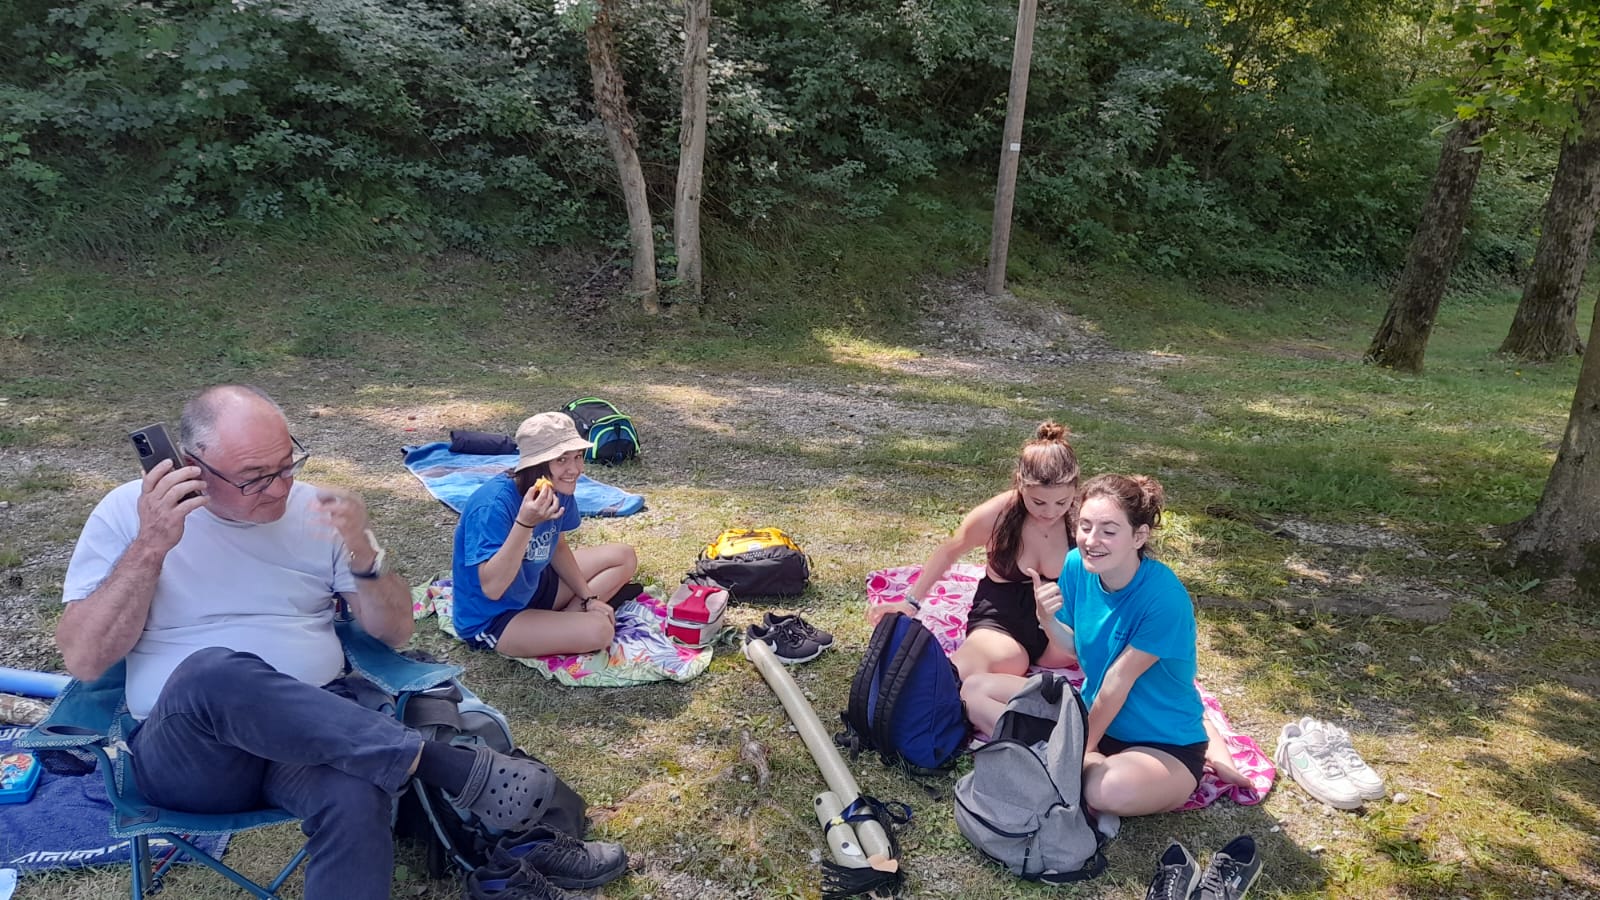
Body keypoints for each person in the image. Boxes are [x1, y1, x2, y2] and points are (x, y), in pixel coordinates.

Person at [56, 385, 619, 900]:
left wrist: (366, 558)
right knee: (213, 672)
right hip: (194, 757)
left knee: (355, 794)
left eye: (288, 464)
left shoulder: (316, 508)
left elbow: (395, 631)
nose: (281, 487)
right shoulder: (130, 514)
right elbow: (83, 657)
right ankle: (437, 763)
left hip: (316, 737)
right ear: (191, 467)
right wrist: (152, 545)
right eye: (255, 477)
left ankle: (439, 773)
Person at [964, 473, 1236, 817]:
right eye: (1085, 526)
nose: (1092, 541)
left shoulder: (1164, 598)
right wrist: (1046, 619)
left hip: (1162, 743)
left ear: (1139, 536)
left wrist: (1077, 753)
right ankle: (1058, 758)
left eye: (1109, 531)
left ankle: (1053, 758)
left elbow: (1116, 684)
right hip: (1089, 715)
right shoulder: (1077, 566)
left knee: (1107, 790)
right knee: (974, 690)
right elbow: (1075, 650)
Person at [869, 421, 1079, 681]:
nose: (1050, 512)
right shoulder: (997, 515)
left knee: (1090, 655)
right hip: (1003, 618)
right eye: (1038, 502)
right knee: (969, 672)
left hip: (1062, 620)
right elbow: (950, 550)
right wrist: (910, 603)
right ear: (1020, 484)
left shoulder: (1083, 520)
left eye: (1061, 502)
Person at [450, 411, 639, 657]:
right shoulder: (492, 505)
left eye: (578, 457)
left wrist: (589, 597)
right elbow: (492, 588)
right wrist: (525, 524)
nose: (575, 469)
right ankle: (564, 625)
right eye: (561, 460)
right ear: (537, 464)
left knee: (624, 556)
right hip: (495, 616)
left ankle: (567, 618)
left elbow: (557, 546)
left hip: (533, 584)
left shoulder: (559, 488)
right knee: (601, 631)